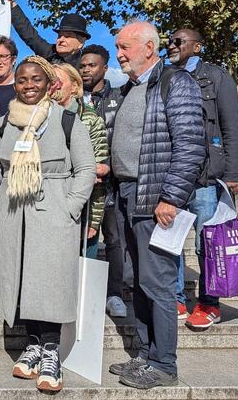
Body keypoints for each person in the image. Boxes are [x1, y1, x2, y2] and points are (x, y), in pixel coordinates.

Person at [0, 56, 95, 393]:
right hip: (14, 213)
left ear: (49, 84)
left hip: (53, 210)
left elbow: (87, 169)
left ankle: (51, 352)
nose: (28, 85)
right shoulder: (4, 124)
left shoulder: (67, 120)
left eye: (36, 79)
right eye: (22, 80)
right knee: (22, 280)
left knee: (50, 281)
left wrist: (70, 207)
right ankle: (33, 344)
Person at [108, 21, 205, 389]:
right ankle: (146, 355)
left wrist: (171, 198)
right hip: (128, 195)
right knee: (137, 280)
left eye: (124, 47)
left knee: (158, 282)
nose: (119, 54)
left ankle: (164, 365)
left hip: (155, 199)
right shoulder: (133, 88)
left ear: (149, 48)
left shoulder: (175, 82)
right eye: (117, 47)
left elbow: (190, 146)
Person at [167, 28, 238, 329]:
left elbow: (232, 126)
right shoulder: (165, 76)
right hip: (173, 175)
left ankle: (209, 303)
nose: (171, 45)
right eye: (169, 41)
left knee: (208, 244)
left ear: (197, 47)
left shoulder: (216, 77)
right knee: (171, 241)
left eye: (179, 41)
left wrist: (233, 172)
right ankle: (175, 298)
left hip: (207, 177)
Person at [79, 44, 128, 318]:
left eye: (92, 65)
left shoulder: (119, 98)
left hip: (112, 183)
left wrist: (108, 166)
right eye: (83, 65)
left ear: (105, 68)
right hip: (82, 182)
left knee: (114, 240)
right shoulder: (74, 99)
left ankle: (114, 294)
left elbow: (123, 138)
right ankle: (83, 293)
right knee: (84, 239)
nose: (86, 70)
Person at [52, 63, 109, 258]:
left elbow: (98, 175)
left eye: (58, 81)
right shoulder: (41, 117)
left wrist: (93, 219)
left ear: (74, 86)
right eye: (49, 81)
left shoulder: (90, 120)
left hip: (82, 212)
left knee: (80, 268)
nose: (53, 86)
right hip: (49, 208)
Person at [5, 0, 89, 68]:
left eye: (67, 36)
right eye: (59, 36)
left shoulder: (86, 63)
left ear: (81, 42)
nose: (61, 40)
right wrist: (12, 4)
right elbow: (29, 34)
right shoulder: (49, 53)